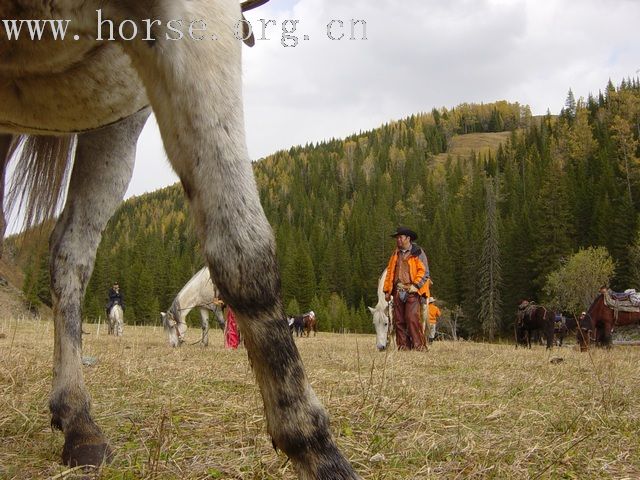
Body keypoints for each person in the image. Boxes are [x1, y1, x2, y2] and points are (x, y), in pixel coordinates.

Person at [383, 226, 430, 351]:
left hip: (412, 290)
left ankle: (419, 346)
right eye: (397, 238)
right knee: (399, 320)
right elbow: (390, 274)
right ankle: (403, 347)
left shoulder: (417, 252)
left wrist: (416, 286)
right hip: (398, 290)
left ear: (408, 238)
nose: (398, 240)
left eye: (400, 237)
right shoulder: (395, 254)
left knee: (412, 318)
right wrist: (387, 291)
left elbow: (424, 272)